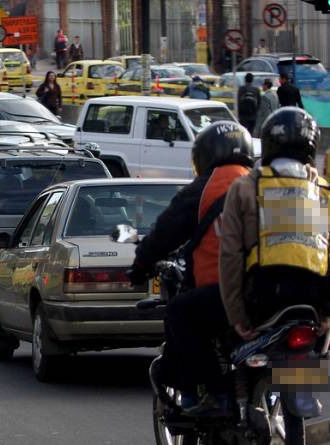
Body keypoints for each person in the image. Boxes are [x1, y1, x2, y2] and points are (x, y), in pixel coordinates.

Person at [129, 122, 254, 413]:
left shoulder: (204, 189)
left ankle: (215, 395)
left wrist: (139, 266)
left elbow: (164, 233)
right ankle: (301, 394)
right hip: (270, 293)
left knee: (179, 313)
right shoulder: (263, 183)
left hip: (221, 293)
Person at [219, 108, 330, 344]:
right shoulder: (320, 189)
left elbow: (230, 256)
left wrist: (237, 317)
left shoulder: (244, 187)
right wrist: (327, 313)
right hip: (316, 300)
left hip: (262, 298)